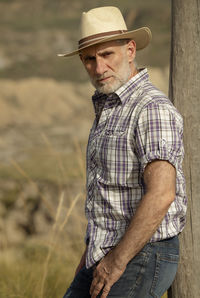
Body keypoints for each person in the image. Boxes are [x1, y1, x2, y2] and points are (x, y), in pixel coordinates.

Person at [59, 6, 187, 298]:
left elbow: (162, 193)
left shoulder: (150, 108)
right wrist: (88, 260)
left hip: (141, 253)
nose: (99, 68)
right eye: (89, 59)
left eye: (107, 55)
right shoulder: (108, 109)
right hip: (104, 253)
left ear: (130, 50)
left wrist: (117, 261)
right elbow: (109, 201)